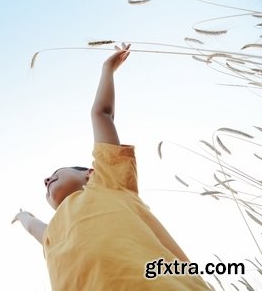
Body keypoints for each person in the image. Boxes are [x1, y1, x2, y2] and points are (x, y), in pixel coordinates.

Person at [12, 44, 210, 290]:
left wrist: (108, 69)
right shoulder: (52, 236)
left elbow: (101, 114)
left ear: (89, 173)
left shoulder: (107, 182)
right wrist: (22, 216)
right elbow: (33, 228)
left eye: (55, 173)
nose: (46, 180)